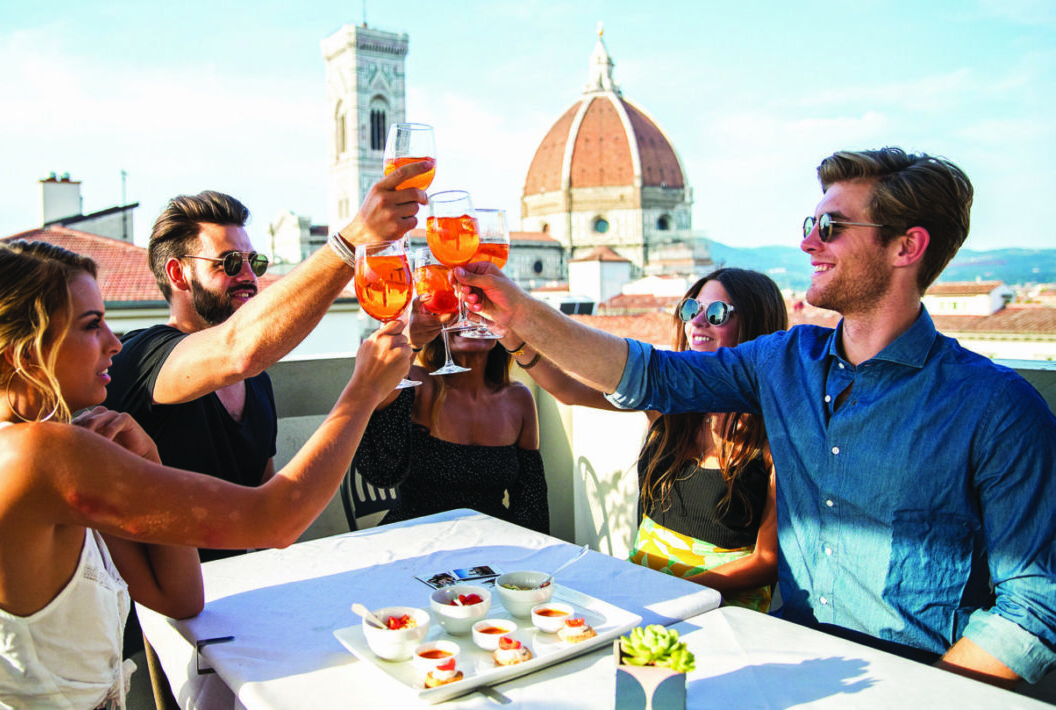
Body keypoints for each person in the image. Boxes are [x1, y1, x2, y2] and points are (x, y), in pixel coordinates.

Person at [455, 147, 1056, 689]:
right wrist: (520, 313)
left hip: (911, 683)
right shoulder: (781, 363)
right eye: (809, 226)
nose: (807, 243)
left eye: (830, 227)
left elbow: (1032, 608)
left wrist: (925, 696)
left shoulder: (997, 409)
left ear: (907, 247)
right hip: (779, 666)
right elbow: (653, 376)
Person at [0, 241, 408, 707]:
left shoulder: (43, 449)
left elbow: (179, 599)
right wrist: (361, 393)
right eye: (91, 325)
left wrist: (149, 460)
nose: (114, 342)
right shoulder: (35, 455)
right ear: (21, 352)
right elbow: (275, 519)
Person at [103, 162, 429, 561]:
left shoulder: (258, 381)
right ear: (178, 273)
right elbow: (238, 349)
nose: (249, 277)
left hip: (239, 591)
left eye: (254, 263)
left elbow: (267, 504)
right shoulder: (146, 355)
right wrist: (352, 241)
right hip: (169, 606)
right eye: (229, 263)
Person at [501, 268, 786, 610]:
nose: (697, 322)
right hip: (642, 595)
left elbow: (767, 562)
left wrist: (670, 590)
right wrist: (512, 339)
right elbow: (568, 389)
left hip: (721, 608)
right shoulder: (669, 403)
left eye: (716, 314)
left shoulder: (776, 434)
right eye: (691, 310)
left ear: (755, 326)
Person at [352, 303, 549, 533]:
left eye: (478, 312)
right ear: (440, 331)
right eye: (458, 312)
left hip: (487, 542)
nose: (469, 320)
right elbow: (376, 451)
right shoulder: (419, 384)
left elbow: (531, 502)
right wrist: (413, 342)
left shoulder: (518, 399)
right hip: (416, 537)